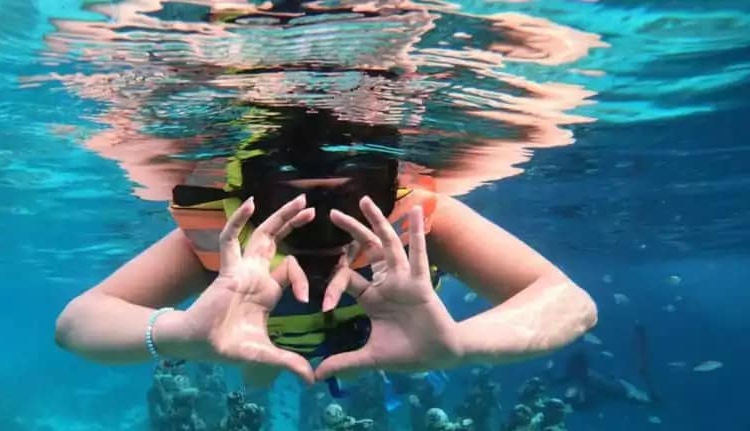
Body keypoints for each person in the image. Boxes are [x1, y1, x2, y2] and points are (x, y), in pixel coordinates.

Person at [55, 108, 598, 388]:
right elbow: (78, 322)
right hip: (251, 339)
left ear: (386, 192)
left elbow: (571, 304)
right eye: (286, 205)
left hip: (382, 345)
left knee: (312, 372)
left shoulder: (422, 221)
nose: (321, 228)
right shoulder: (228, 246)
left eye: (354, 200)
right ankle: (261, 370)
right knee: (260, 376)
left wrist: (459, 343)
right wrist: (184, 336)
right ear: (251, 200)